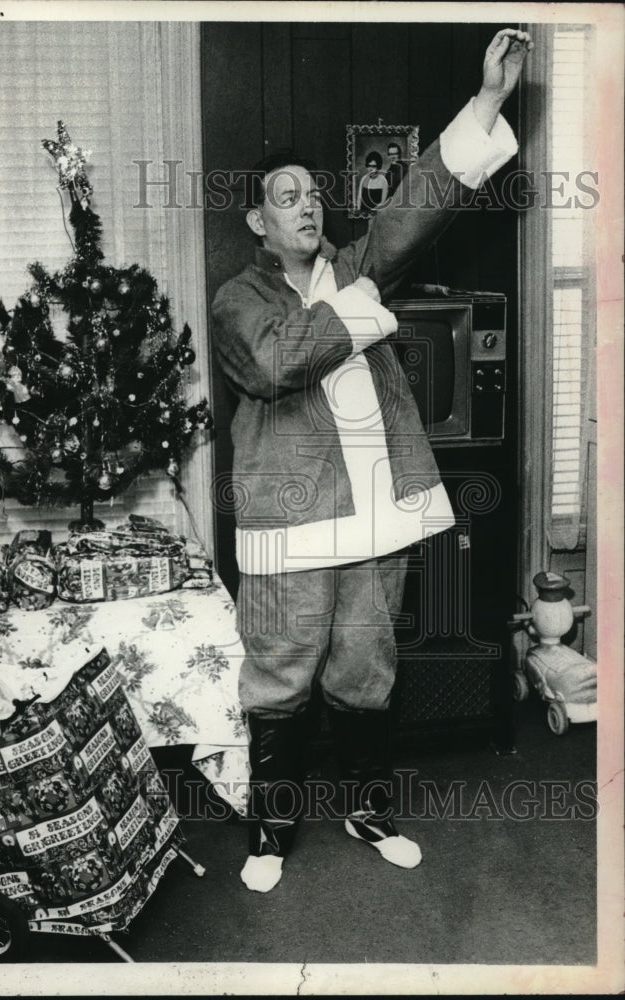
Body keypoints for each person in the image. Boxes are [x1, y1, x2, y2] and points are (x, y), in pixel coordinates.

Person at [211, 28, 533, 894]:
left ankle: (366, 809)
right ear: (257, 220)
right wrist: (363, 314)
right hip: (292, 520)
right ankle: (271, 833)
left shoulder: (354, 267)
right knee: (279, 677)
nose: (307, 207)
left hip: (380, 509)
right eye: (287, 198)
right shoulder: (238, 298)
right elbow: (277, 363)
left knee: (365, 670)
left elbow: (418, 201)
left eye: (314, 195)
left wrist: (489, 100)